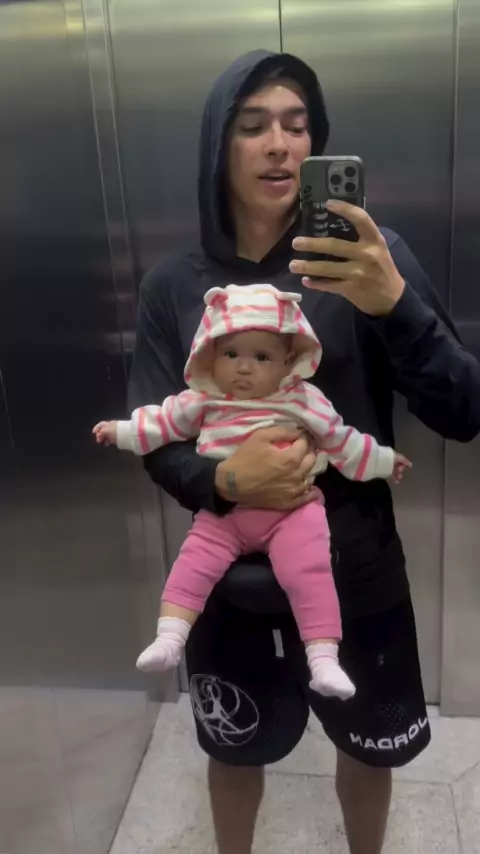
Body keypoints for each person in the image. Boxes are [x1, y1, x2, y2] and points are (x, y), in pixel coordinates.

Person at [128, 49, 480, 854]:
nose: (279, 145)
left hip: (359, 569)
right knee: (233, 749)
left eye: (297, 126)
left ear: (317, 143)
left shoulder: (372, 261)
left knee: (370, 748)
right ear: (218, 146)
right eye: (252, 126)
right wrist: (224, 476)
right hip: (227, 575)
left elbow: (463, 410)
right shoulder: (174, 285)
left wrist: (395, 305)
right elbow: (155, 437)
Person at [94, 283, 410, 701]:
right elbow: (161, 423)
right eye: (231, 354)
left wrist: (384, 461)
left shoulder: (304, 401)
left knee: (310, 572)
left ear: (288, 362)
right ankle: (169, 638)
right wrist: (121, 431)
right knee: (193, 562)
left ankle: (323, 659)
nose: (244, 368)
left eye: (261, 357)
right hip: (226, 511)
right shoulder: (204, 399)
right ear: (210, 354)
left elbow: (343, 442)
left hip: (293, 513)